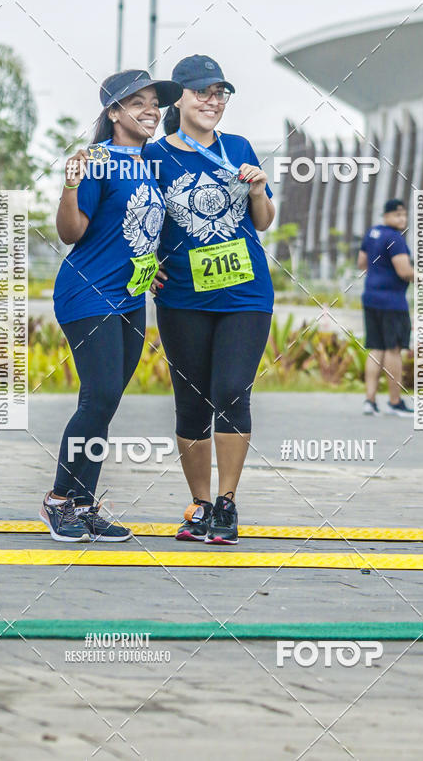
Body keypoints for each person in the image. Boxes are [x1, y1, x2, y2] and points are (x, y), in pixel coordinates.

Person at [41, 70, 182, 542]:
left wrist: (152, 261)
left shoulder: (151, 163)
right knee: (99, 395)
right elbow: (73, 232)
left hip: (128, 297)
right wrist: (68, 186)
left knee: (104, 403)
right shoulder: (98, 161)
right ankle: (59, 499)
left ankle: (83, 503)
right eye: (137, 102)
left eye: (154, 103)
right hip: (87, 293)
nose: (150, 110)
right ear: (114, 112)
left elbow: (141, 226)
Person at [144, 55, 275, 545]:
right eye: (202, 92)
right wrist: (146, 264)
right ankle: (199, 505)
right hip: (182, 296)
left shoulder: (238, 146)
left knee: (232, 392)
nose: (212, 101)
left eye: (220, 93)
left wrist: (259, 189)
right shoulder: (155, 156)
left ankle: (227, 503)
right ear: (178, 98)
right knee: (192, 403)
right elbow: (141, 218)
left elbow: (262, 221)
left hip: (245, 292)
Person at [357, 198, 415, 416]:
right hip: (392, 302)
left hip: (370, 298)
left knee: (376, 348)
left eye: (404, 214)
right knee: (393, 349)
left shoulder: (372, 233)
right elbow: (404, 271)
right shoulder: (395, 239)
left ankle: (369, 401)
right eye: (398, 215)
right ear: (387, 215)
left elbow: (361, 264)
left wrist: (378, 271)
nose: (402, 218)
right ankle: (395, 401)